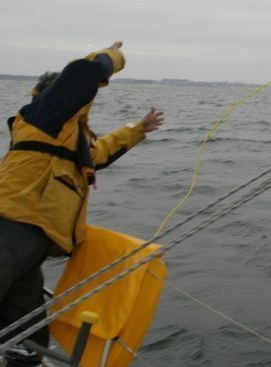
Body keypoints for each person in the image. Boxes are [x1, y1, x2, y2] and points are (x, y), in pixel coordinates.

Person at [0, 41, 164, 366]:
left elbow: (97, 155)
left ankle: (25, 359)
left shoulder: (67, 134)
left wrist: (137, 129)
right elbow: (82, 74)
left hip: (38, 236)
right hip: (15, 222)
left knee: (26, 320)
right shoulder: (44, 114)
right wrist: (113, 57)